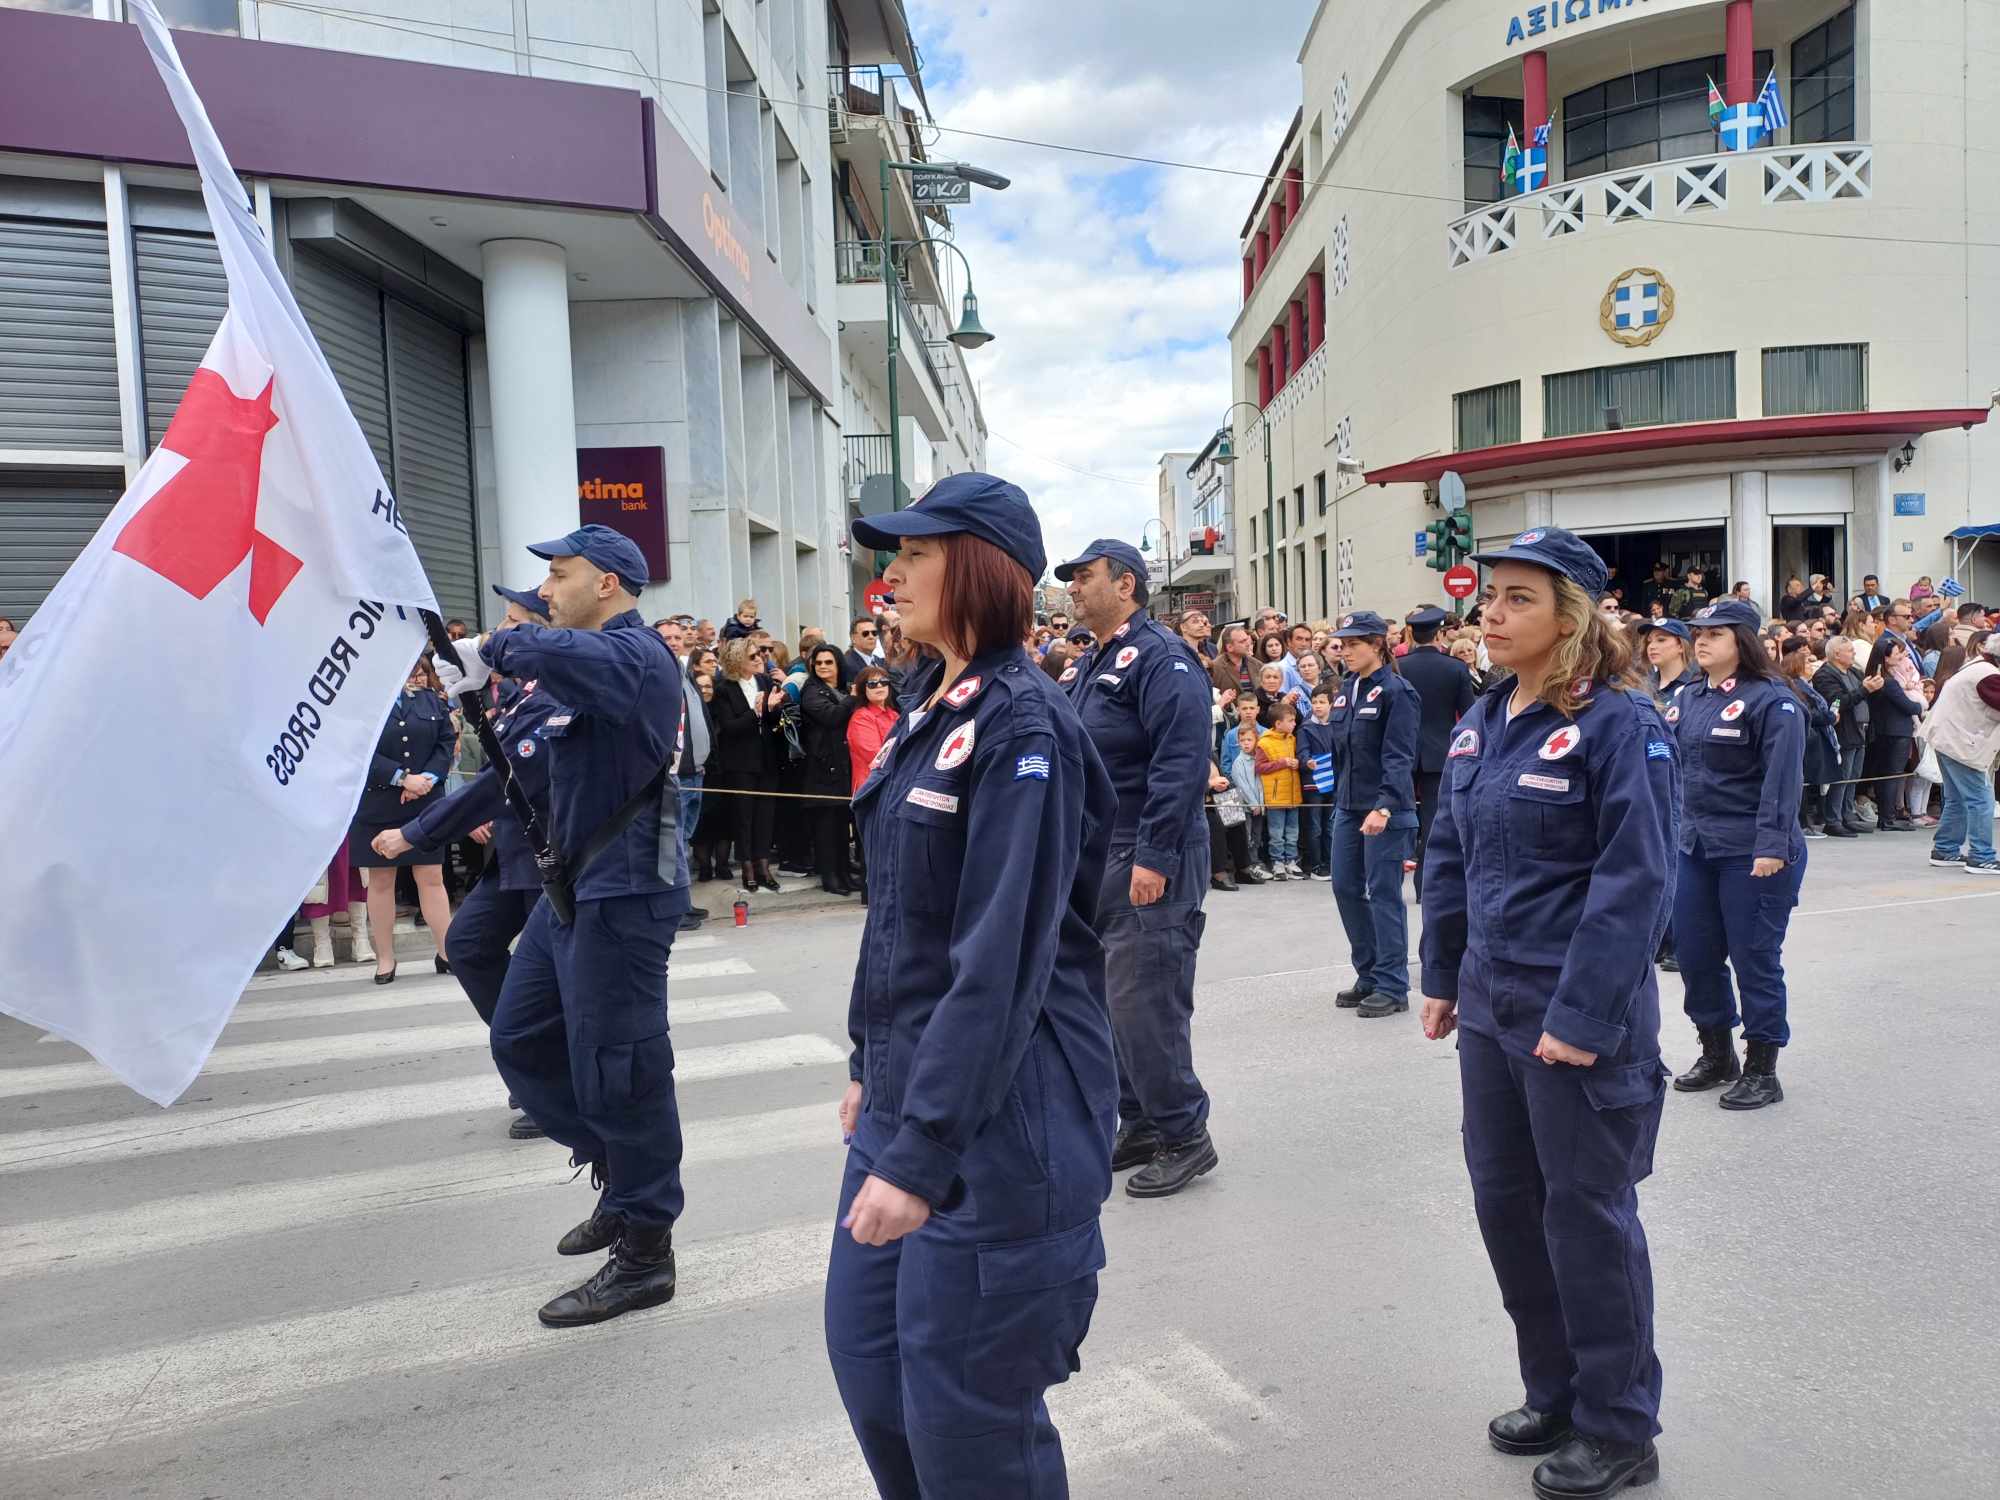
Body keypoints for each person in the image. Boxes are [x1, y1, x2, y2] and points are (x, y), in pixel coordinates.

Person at [826, 473, 1119, 1498]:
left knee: (966, 1426)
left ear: (981, 570)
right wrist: (870, 1066)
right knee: (872, 1377)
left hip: (999, 1125)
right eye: (890, 553)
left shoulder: (1022, 726)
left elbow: (996, 963)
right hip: (909, 1101)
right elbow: (900, 923)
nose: (890, 570)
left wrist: (921, 1149)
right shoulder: (930, 705)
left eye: (917, 552)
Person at [1418, 526, 1677, 1500]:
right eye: (1489, 595)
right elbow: (1448, 853)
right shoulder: (1484, 717)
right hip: (1490, 1012)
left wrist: (1577, 1016)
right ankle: (1555, 1391)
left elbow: (1633, 881)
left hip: (1576, 1024)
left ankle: (1618, 1426)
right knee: (1506, 1211)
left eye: (1518, 597)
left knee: (1584, 1220)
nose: (1490, 611)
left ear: (1570, 614)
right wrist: (1441, 974)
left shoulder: (1617, 724)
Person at [432, 525, 691, 1328]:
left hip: (626, 889)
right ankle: (619, 1171)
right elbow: (525, 756)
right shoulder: (575, 667)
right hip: (573, 882)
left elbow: (580, 662)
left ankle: (647, 1248)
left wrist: (499, 647)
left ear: (608, 583)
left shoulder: (637, 654)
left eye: (561, 574)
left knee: (623, 1065)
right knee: (521, 1037)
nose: (547, 589)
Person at [1056, 537, 1219, 1198]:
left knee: (1145, 1002)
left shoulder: (1163, 658)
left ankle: (1186, 1133)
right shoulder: (1093, 661)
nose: (1073, 587)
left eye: (1084, 576)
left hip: (1147, 852)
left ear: (1125, 584)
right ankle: (1143, 1120)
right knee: (1109, 1004)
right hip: (1098, 853)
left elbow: (1179, 767)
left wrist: (1154, 858)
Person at [377, 582, 562, 1139]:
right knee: (467, 945)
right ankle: (529, 1054)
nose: (499, 630)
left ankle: (546, 1077)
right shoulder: (519, 688)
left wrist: (417, 832)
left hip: (545, 856)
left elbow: (515, 775)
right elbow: (496, 766)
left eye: (511, 620)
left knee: (547, 977)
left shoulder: (553, 689)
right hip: (512, 850)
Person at [1670, 599, 1806, 1111]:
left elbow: (1783, 781)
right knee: (1695, 955)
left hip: (1753, 852)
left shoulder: (1773, 701)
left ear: (1743, 642)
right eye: (1699, 633)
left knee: (1754, 960)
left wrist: (1772, 846)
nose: (1701, 641)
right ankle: (1716, 1051)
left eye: (1716, 634)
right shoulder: (1687, 696)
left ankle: (1762, 1067)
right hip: (1694, 846)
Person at [1326, 611, 1421, 1018]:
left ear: (1377, 644)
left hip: (1385, 809)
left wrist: (1383, 805)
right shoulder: (1349, 688)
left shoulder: (1397, 691)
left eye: (1354, 644)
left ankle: (1393, 984)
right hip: (1348, 807)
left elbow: (1399, 756)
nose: (1345, 650)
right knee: (1346, 888)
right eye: (1342, 644)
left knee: (1383, 895)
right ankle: (1367, 974)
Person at [348, 654, 455, 983]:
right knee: (381, 881)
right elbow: (358, 750)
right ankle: (385, 959)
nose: (413, 673)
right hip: (379, 802)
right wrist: (400, 778)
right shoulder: (364, 702)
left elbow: (446, 742)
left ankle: (447, 952)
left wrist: (428, 779)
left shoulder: (430, 701)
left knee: (431, 877)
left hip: (425, 799)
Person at [1399, 605, 1476, 902]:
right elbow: (1469, 715)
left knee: (1395, 814)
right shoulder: (1455, 668)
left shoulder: (1400, 666)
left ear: (1412, 634)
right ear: (1439, 632)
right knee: (1433, 819)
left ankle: (1392, 879)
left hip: (1402, 750)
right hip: (1439, 751)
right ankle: (1424, 886)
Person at [1921, 631, 2000, 874]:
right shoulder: (1988, 675)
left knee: (1957, 798)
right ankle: (1980, 855)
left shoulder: (1980, 666)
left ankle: (1945, 849)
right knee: (1981, 799)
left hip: (1950, 737)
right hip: (1959, 741)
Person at [711, 637, 786, 891]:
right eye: (753, 656)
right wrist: (755, 711)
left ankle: (763, 864)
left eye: (759, 654)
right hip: (740, 761)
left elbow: (773, 720)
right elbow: (730, 727)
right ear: (737, 660)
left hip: (767, 758)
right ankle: (747, 866)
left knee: (766, 815)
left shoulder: (765, 681)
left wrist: (773, 707)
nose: (759, 659)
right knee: (744, 816)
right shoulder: (724, 688)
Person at [799, 643, 858, 895]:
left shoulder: (843, 689)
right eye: (818, 662)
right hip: (822, 768)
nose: (822, 666)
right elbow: (832, 716)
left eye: (828, 662)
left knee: (841, 825)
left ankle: (844, 872)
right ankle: (830, 877)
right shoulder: (812, 691)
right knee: (826, 828)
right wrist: (854, 698)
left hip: (844, 766)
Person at [1813, 636, 1874, 838]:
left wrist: (1870, 686)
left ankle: (1848, 814)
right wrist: (1865, 690)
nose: (1853, 654)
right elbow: (1838, 701)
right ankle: (1833, 818)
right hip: (1843, 731)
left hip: (1860, 729)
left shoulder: (1854, 672)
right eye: (1849, 650)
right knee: (1841, 777)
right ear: (1836, 654)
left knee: (1854, 776)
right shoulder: (1825, 675)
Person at [1864, 633, 1924, 832]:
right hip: (1897, 731)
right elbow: (1908, 706)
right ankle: (1888, 818)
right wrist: (1919, 705)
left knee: (1885, 774)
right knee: (1892, 774)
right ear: (1886, 658)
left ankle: (1886, 816)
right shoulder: (1888, 682)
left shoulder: (1873, 677)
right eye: (1897, 655)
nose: (1900, 658)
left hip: (1883, 730)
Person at [1781, 639, 1839, 837]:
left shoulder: (1805, 684)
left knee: (1809, 782)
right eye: (1807, 663)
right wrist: (1829, 717)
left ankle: (1807, 822)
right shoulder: (1795, 686)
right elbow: (1807, 712)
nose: (1811, 666)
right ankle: (1802, 823)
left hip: (1816, 738)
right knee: (1803, 783)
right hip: (1807, 738)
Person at [1255, 700, 1304, 878]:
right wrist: (1282, 763)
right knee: (1276, 833)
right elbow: (1259, 767)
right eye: (1290, 720)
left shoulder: (1292, 739)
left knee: (1293, 831)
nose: (1294, 723)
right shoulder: (1264, 742)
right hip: (1275, 797)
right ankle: (1277, 863)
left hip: (1293, 794)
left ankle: (1291, 861)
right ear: (1278, 724)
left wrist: (1297, 764)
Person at [1298, 683, 1336, 879]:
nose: (1318, 706)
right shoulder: (1306, 727)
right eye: (1314, 702)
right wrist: (1307, 761)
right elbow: (1302, 751)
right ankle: (1314, 864)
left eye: (1322, 702)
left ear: (1331, 704)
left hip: (1333, 781)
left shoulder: (1337, 725)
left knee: (1330, 826)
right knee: (1314, 826)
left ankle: (1330, 863)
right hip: (1313, 782)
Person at [843, 616, 881, 681]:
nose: (871, 637)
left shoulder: (880, 662)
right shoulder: (846, 664)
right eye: (865, 633)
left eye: (874, 633)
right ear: (853, 638)